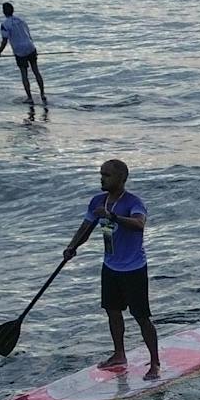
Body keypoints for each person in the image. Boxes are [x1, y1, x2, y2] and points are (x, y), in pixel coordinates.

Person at [62, 158, 157, 374]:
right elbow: (85, 227)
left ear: (121, 179)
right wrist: (71, 247)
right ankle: (119, 355)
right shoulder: (97, 201)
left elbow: (139, 224)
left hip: (134, 268)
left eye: (107, 175)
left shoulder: (134, 202)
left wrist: (113, 216)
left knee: (141, 317)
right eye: (101, 173)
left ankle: (155, 363)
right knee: (112, 312)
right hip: (110, 267)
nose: (102, 178)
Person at [0, 2, 47, 113]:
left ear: (4, 12)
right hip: (30, 47)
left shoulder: (5, 25)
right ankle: (42, 94)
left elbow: (4, 41)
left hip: (20, 51)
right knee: (36, 71)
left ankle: (29, 97)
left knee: (24, 74)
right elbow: (28, 34)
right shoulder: (21, 21)